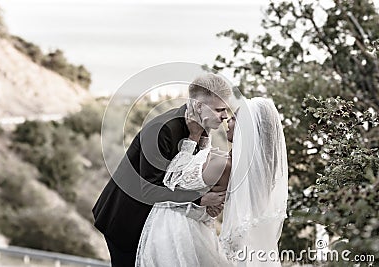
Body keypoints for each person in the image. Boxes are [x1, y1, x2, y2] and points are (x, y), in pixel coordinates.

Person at [92, 74, 232, 267]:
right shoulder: (162, 130)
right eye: (219, 110)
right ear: (199, 107)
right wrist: (200, 199)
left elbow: (185, 176)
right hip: (127, 219)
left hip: (160, 223)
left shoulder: (200, 130)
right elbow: (149, 190)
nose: (225, 116)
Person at [135, 97, 288, 267]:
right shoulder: (234, 166)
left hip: (176, 232)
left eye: (235, 119)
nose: (227, 120)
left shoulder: (222, 165)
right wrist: (204, 139)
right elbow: (201, 172)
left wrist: (193, 136)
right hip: (194, 230)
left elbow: (171, 180)